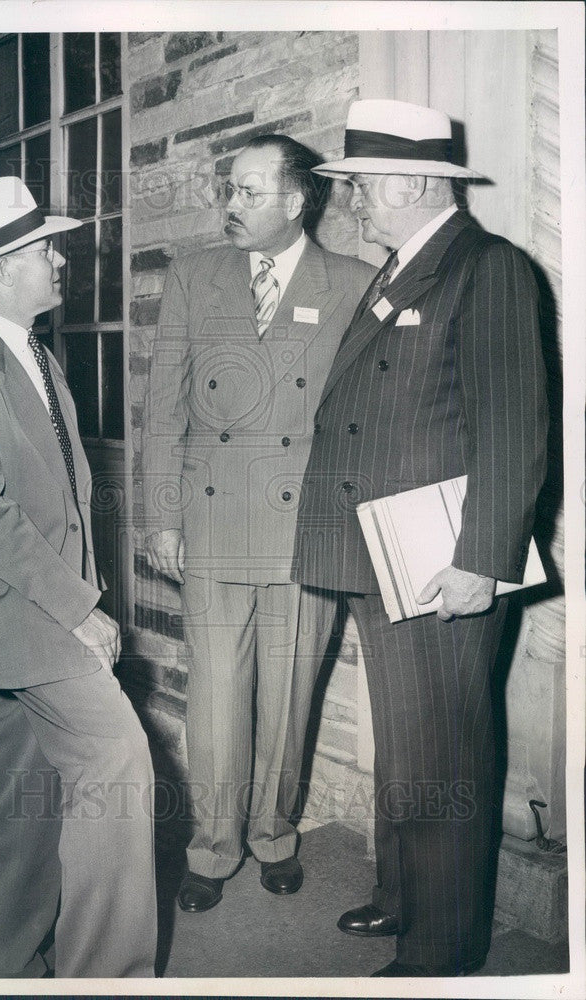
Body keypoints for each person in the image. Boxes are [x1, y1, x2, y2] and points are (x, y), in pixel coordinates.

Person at [292, 99, 548, 977]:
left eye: (360, 184)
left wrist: (481, 561)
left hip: (443, 560)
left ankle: (441, 948)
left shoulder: (488, 269)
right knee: (405, 743)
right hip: (385, 551)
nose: (352, 201)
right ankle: (403, 895)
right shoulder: (403, 265)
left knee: (442, 748)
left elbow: (514, 429)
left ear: (407, 181)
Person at [0, 176, 157, 978]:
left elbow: (61, 502)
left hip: (41, 606)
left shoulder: (35, 355)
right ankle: (107, 978)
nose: (58, 261)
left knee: (26, 794)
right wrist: (80, 609)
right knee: (117, 759)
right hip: (20, 617)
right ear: (8, 264)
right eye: (45, 249)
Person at [142, 135, 375, 912]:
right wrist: (162, 518)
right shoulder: (194, 275)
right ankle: (213, 847)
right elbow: (162, 409)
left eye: (246, 191)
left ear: (295, 199)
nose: (229, 205)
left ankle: (273, 834)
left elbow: (367, 420)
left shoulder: (355, 283)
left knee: (288, 695)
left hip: (303, 527)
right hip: (210, 524)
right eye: (228, 190)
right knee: (214, 698)